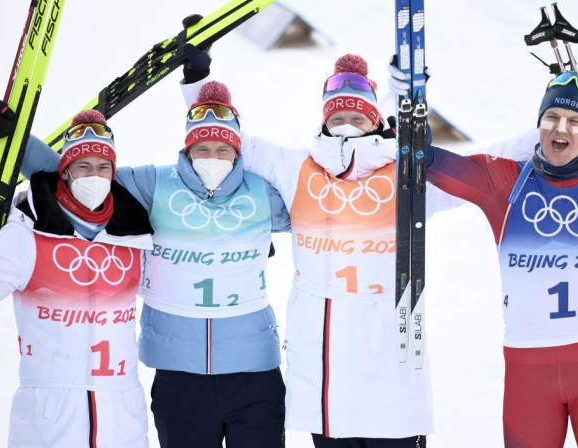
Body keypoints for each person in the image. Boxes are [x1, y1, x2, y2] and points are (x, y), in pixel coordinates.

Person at [0, 49, 292, 446]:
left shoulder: (263, 195)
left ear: (238, 151)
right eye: (202, 149)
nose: (212, 158)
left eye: (223, 150)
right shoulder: (156, 186)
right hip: (178, 368)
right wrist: (15, 142)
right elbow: (80, 171)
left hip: (254, 365)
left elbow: (326, 213)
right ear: (186, 148)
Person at [184, 54, 490, 447]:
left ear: (376, 121)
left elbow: (476, 176)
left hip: (389, 368)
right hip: (325, 374)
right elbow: (220, 141)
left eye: (358, 118)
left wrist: (408, 98)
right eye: (337, 118)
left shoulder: (406, 175)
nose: (347, 126)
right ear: (324, 121)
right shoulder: (298, 168)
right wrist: (198, 87)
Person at [419, 71, 578, 448]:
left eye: (575, 121)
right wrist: (413, 121)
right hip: (529, 371)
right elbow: (431, 162)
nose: (561, 128)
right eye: (551, 117)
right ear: (538, 123)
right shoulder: (504, 182)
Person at [0, 110, 154, 447]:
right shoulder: (29, 232)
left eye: (103, 168)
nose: (95, 177)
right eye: (83, 167)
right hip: (49, 416)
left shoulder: (134, 239)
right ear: (66, 170)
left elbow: (177, 290)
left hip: (121, 413)